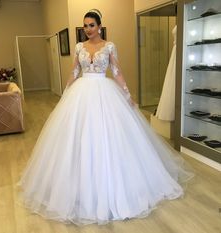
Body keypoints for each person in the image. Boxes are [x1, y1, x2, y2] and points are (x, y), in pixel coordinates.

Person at [17, 9, 194, 226]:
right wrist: (65, 95)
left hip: (104, 90)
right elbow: (74, 71)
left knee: (109, 137)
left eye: (91, 25)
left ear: (99, 26)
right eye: (85, 26)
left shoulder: (109, 46)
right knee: (78, 138)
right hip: (81, 94)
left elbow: (117, 72)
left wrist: (128, 96)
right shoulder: (79, 47)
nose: (88, 29)